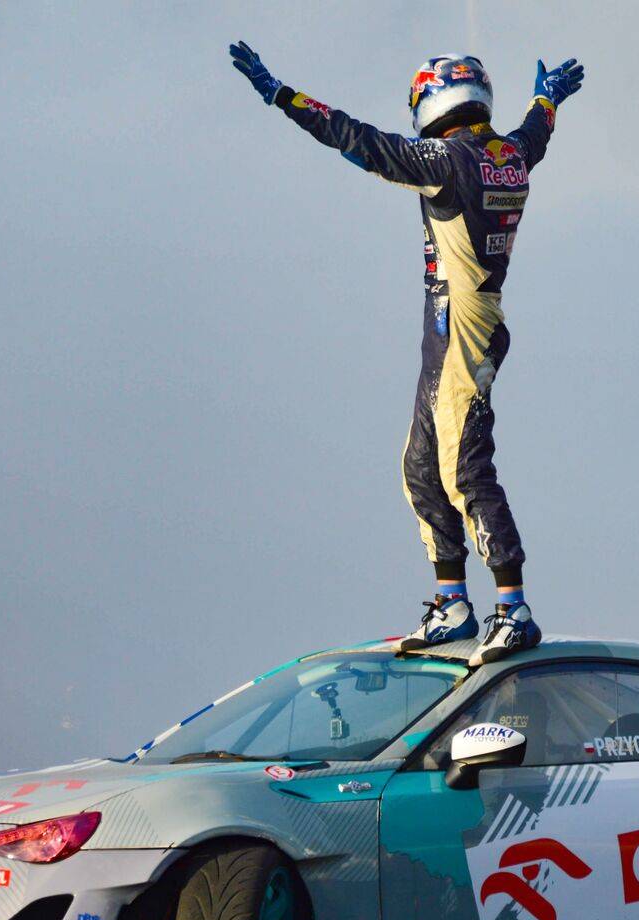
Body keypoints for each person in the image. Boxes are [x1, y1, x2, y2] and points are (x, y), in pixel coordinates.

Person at [228, 43, 584, 666]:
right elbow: (535, 134)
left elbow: (357, 139)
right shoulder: (510, 154)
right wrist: (546, 99)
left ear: (431, 99)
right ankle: (452, 602)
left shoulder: (444, 160)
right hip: (452, 326)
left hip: (465, 327)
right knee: (420, 466)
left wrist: (283, 96)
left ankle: (514, 609)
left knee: (464, 468)